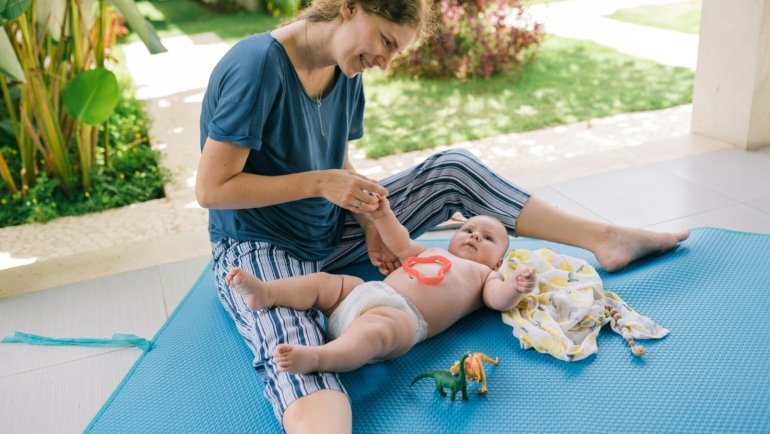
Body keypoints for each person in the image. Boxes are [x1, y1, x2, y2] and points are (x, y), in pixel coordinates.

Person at [195, 0, 689, 431]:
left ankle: (604, 237)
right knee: (298, 351)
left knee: (451, 169)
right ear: (349, 6)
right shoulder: (257, 64)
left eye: (395, 52)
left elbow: (337, 164)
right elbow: (212, 189)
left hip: (330, 225)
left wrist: (369, 219)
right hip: (261, 243)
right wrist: (324, 184)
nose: (384, 62)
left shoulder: (348, 71)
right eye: (385, 41)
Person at [226, 198, 537, 374]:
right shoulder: (431, 252)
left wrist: (515, 285)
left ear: (497, 261)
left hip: (406, 318)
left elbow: (498, 300)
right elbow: (399, 242)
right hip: (369, 292)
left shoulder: (486, 275)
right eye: (469, 229)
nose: (474, 236)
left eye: (487, 238)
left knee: (375, 333)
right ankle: (267, 293)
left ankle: (320, 357)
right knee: (327, 284)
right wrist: (382, 215)